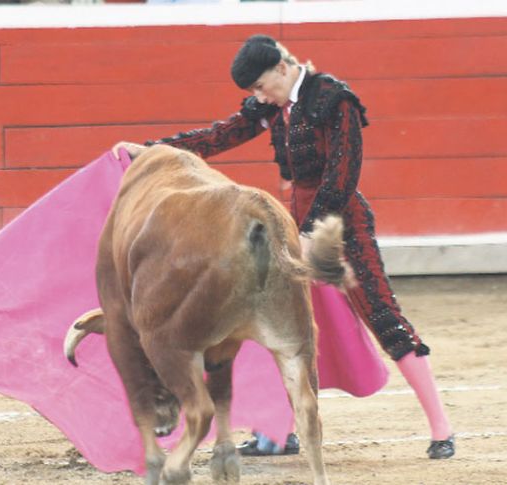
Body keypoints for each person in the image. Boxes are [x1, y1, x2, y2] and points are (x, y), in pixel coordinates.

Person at [112, 34, 455, 460]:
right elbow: (220, 136)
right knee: (280, 324)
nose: (258, 97)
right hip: (293, 226)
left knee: (383, 315)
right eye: (252, 92)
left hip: (343, 226)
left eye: (259, 86)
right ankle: (280, 432)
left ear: (281, 68)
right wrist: (151, 151)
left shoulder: (334, 99)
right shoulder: (273, 107)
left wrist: (313, 233)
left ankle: (442, 430)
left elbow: (342, 174)